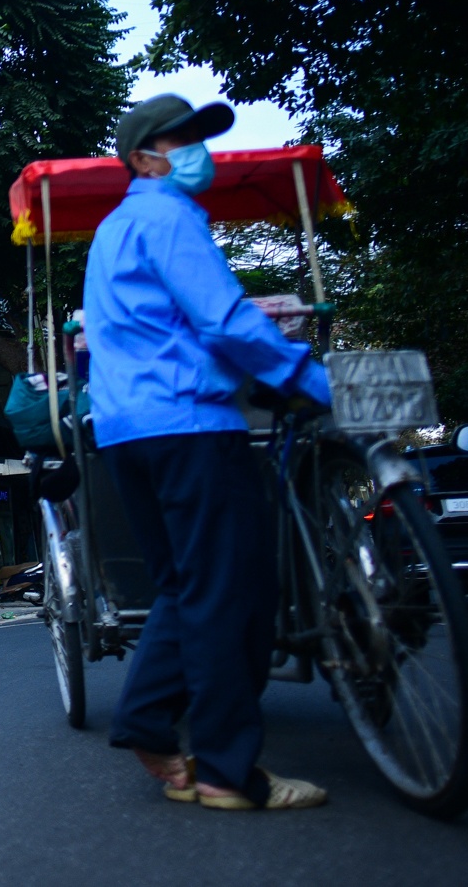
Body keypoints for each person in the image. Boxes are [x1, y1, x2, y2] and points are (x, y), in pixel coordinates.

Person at [84, 94, 332, 812]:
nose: (198, 149)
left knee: (186, 588)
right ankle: (228, 770)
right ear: (144, 157)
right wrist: (307, 378)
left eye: (199, 137)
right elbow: (223, 319)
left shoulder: (113, 230)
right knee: (228, 594)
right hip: (189, 424)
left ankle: (144, 718)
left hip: (126, 431)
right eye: (181, 138)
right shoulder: (169, 217)